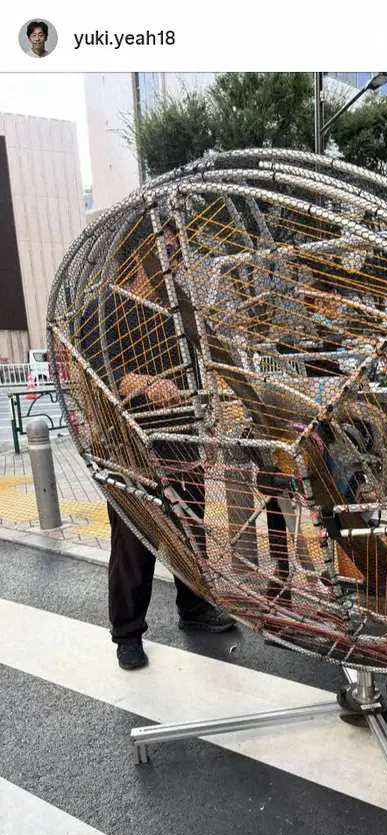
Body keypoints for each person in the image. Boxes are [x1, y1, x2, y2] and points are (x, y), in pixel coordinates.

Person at [80, 218, 235, 670]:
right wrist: (146, 383)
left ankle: (195, 606)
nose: (172, 259)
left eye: (176, 250)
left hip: (181, 436)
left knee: (191, 528)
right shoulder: (105, 306)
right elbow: (98, 370)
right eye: (163, 249)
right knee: (134, 537)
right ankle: (127, 632)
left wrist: (206, 427)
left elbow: (198, 371)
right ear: (137, 253)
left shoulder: (176, 310)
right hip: (128, 443)